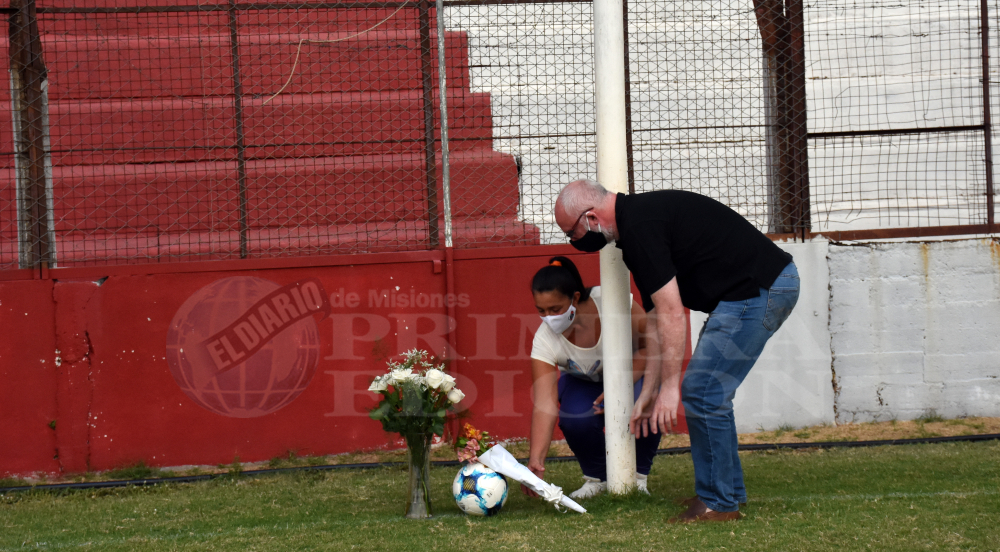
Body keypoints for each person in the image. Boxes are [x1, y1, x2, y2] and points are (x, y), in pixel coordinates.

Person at [554, 179, 799, 523]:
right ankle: (725, 493)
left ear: (591, 217)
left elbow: (672, 312)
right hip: (752, 290)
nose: (573, 241)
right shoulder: (634, 229)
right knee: (710, 392)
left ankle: (718, 502)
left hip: (760, 288)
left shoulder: (640, 228)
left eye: (572, 232)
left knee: (703, 391)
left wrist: (670, 388)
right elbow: (655, 319)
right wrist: (650, 390)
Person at [523, 256, 662, 499]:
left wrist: (620, 386)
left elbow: (648, 346)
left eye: (555, 309)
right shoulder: (544, 340)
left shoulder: (611, 300)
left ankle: (638, 476)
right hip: (584, 383)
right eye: (541, 311)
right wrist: (536, 459)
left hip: (632, 372)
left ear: (575, 298)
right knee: (575, 418)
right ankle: (597, 478)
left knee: (645, 402)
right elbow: (544, 403)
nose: (549, 317)